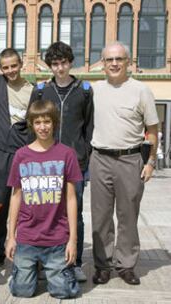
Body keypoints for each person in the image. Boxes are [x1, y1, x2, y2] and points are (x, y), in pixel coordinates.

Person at [90, 41, 159, 285]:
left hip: (130, 159)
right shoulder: (94, 90)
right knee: (100, 217)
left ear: (128, 62)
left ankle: (126, 265)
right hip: (99, 158)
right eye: (109, 60)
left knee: (128, 215)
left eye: (119, 59)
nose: (114, 64)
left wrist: (150, 161)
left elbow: (152, 130)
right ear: (103, 63)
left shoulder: (141, 91)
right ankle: (102, 265)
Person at [28, 41, 93, 281]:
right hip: (46, 163)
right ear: (50, 66)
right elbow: (31, 125)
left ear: (70, 62)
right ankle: (44, 260)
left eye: (63, 63)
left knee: (75, 213)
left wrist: (83, 155)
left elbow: (88, 126)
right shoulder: (42, 91)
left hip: (75, 162)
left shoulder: (84, 90)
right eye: (55, 64)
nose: (60, 68)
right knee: (44, 211)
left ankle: (75, 262)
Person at [5, 99, 81, 299]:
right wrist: (11, 236)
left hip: (56, 238)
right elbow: (15, 197)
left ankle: (56, 271)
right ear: (31, 124)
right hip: (27, 237)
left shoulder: (67, 154)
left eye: (47, 121)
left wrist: (72, 240)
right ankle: (30, 271)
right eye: (38, 122)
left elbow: (72, 199)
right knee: (22, 291)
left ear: (54, 123)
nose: (43, 127)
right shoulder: (21, 155)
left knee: (63, 292)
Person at [0, 48, 33, 269]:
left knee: (29, 204)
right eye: (5, 67)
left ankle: (30, 249)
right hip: (2, 151)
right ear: (0, 68)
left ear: (21, 64)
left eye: (14, 65)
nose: (10, 70)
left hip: (26, 154)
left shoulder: (34, 91)